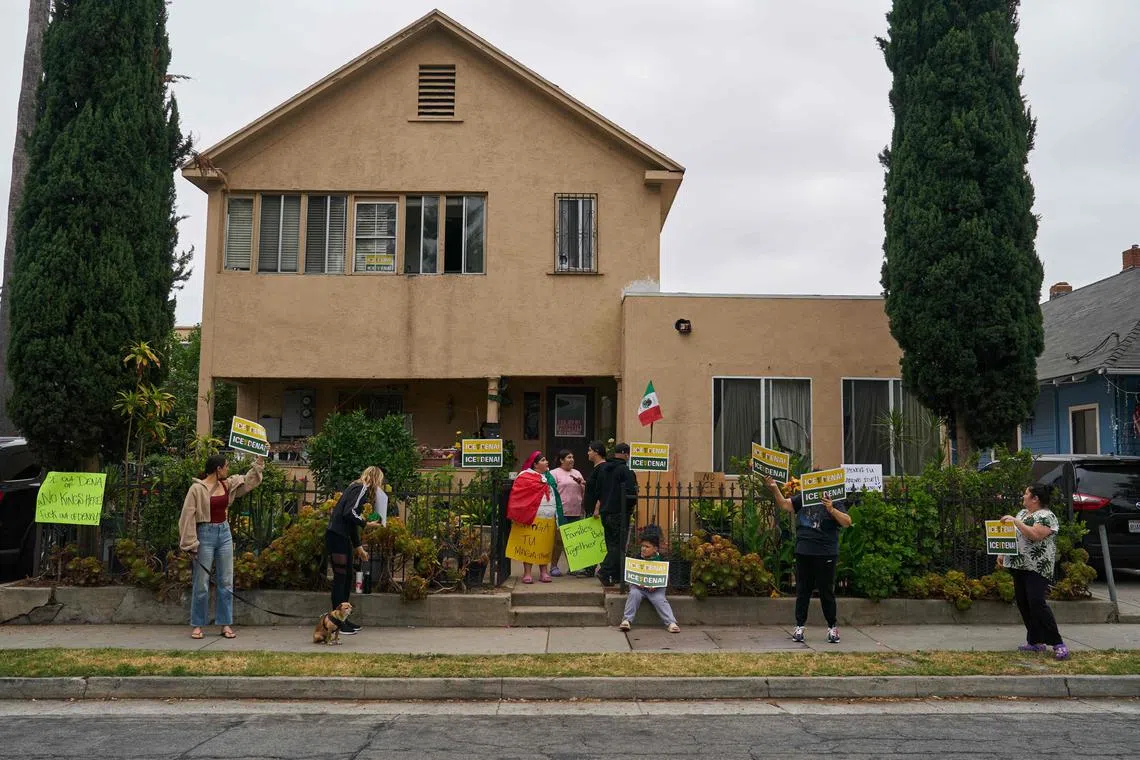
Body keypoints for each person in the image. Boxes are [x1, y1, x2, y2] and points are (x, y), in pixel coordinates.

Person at [179, 454, 264, 640]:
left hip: (224, 533)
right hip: (205, 534)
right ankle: (197, 625)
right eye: (226, 466)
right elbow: (187, 516)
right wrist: (190, 543)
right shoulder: (197, 489)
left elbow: (249, 481)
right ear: (218, 469)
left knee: (226, 580)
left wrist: (259, 462)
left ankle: (225, 624)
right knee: (201, 582)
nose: (228, 469)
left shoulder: (227, 484)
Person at [765, 475, 851, 644]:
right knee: (803, 591)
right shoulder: (804, 498)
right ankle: (799, 627)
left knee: (826, 591)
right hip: (804, 550)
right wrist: (774, 487)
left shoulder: (834, 500)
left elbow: (847, 522)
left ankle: (832, 628)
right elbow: (785, 504)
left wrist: (831, 509)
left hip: (826, 552)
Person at [999, 484, 1069, 660]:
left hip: (1037, 567)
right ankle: (1035, 641)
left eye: (1026, 494)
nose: (1023, 497)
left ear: (1035, 498)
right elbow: (1012, 535)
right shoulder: (1022, 514)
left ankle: (1058, 643)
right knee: (1024, 603)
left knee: (1037, 603)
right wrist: (1002, 552)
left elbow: (1035, 535)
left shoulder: (1047, 516)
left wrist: (1015, 522)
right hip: (1018, 565)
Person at [325, 466, 385, 634]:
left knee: (347, 577)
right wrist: (366, 523)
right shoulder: (361, 488)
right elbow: (348, 513)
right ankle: (336, 621)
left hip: (340, 537)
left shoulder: (356, 489)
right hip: (337, 537)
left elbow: (351, 523)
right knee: (341, 578)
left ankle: (342, 618)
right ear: (375, 478)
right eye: (380, 481)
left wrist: (358, 547)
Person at [506, 451, 563, 584]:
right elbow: (518, 496)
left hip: (548, 518)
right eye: (543, 460)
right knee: (529, 545)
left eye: (546, 460)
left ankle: (544, 572)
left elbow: (555, 495)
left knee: (545, 545)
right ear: (535, 464)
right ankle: (527, 573)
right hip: (531, 517)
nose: (546, 462)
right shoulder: (525, 477)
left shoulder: (549, 477)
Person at [619, 525, 680, 633]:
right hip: (639, 587)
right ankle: (626, 620)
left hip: (656, 589)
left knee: (660, 599)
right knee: (634, 594)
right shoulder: (636, 557)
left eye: (647, 547)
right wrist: (637, 582)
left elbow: (665, 577)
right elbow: (630, 575)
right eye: (642, 546)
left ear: (655, 548)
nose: (643, 549)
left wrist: (656, 585)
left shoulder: (662, 560)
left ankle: (671, 622)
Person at [595, 442, 639, 587]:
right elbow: (631, 494)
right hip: (619, 512)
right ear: (626, 454)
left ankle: (617, 575)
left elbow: (597, 489)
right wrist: (630, 508)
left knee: (611, 544)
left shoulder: (604, 469)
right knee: (618, 545)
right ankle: (605, 571)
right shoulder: (625, 471)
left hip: (605, 512)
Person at [549, 449, 586, 576]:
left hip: (575, 511)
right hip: (560, 512)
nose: (572, 460)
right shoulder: (554, 473)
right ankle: (553, 566)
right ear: (561, 460)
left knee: (573, 542)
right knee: (558, 541)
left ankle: (573, 566)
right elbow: (550, 492)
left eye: (573, 457)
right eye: (569, 457)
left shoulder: (577, 473)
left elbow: (583, 491)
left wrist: (582, 483)